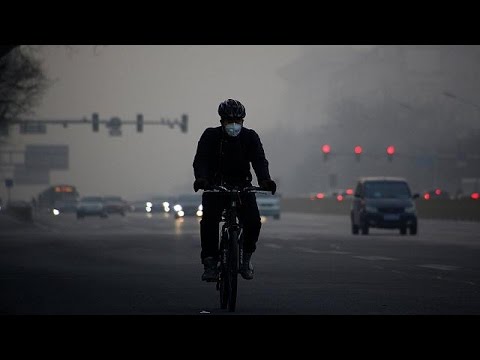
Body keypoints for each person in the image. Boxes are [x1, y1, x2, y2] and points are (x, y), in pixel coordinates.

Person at [193, 99, 277, 282]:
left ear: (243, 121)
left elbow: (259, 160)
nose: (233, 125)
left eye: (237, 121)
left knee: (253, 222)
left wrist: (265, 180)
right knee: (209, 221)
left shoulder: (250, 137)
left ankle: (245, 259)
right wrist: (202, 179)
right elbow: (201, 160)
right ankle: (210, 263)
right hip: (215, 186)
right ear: (221, 121)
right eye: (229, 121)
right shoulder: (210, 136)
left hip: (242, 187)